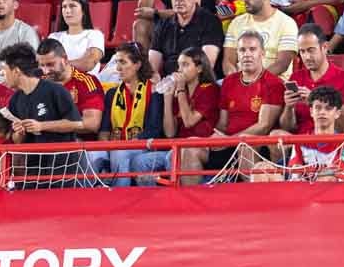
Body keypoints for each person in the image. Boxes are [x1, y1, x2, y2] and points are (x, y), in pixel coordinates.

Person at [0, 42, 84, 189]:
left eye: (5, 70)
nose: (2, 75)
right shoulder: (15, 100)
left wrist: (41, 126)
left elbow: (77, 123)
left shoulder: (55, 91)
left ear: (16, 71)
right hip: (33, 167)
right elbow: (16, 141)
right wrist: (19, 132)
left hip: (61, 165)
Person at [140, 47, 220, 186]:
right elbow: (170, 133)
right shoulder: (181, 94)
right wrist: (168, 98)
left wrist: (181, 89)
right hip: (177, 146)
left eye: (185, 65)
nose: (179, 70)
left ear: (199, 68)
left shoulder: (209, 89)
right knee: (140, 162)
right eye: (179, 65)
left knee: (174, 157)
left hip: (201, 148)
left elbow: (189, 121)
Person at [213, 31, 285, 176]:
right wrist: (215, 135)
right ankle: (191, 198)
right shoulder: (229, 81)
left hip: (255, 145)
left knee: (245, 146)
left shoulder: (273, 83)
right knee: (191, 145)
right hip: (229, 142)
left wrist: (230, 141)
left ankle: (250, 197)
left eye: (252, 49)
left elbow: (264, 126)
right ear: (237, 55)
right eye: (242, 50)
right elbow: (223, 123)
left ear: (262, 53)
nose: (247, 54)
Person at [94, 43, 163, 187]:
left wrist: (125, 145)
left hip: (143, 145)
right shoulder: (112, 94)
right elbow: (104, 130)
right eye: (117, 62)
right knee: (92, 155)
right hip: (116, 145)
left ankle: (121, 197)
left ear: (137, 65)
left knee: (120, 152)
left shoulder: (153, 91)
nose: (118, 68)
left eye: (123, 62)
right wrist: (106, 146)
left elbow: (154, 129)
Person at [283, 24, 344, 133]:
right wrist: (288, 107)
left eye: (311, 50)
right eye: (302, 52)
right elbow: (287, 128)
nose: (307, 57)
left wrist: (316, 101)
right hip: (300, 140)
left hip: (329, 140)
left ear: (325, 47)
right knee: (275, 135)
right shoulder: (296, 77)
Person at [222, 0, 299, 78]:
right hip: (241, 82)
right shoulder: (236, 22)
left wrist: (254, 81)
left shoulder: (287, 23)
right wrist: (236, 81)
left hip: (273, 84)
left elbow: (282, 64)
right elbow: (228, 61)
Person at [149, 0, 223, 79]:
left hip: (197, 83)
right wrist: (154, 78)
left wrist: (179, 82)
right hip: (167, 84)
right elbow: (153, 65)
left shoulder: (210, 22)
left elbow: (207, 65)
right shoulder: (163, 24)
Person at [35, 38, 104, 140]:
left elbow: (91, 124)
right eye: (42, 65)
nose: (45, 71)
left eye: (50, 64)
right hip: (45, 142)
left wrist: (43, 126)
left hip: (81, 144)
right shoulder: (38, 82)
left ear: (65, 59)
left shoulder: (86, 82)